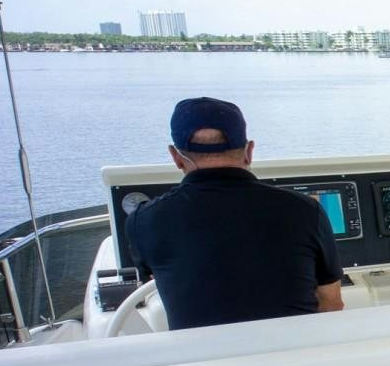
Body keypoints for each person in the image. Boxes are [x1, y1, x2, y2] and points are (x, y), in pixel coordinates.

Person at [127, 96, 344, 330]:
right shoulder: (306, 210)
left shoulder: (143, 221)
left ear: (176, 158)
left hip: (203, 364)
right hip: (292, 362)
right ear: (249, 152)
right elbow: (331, 303)